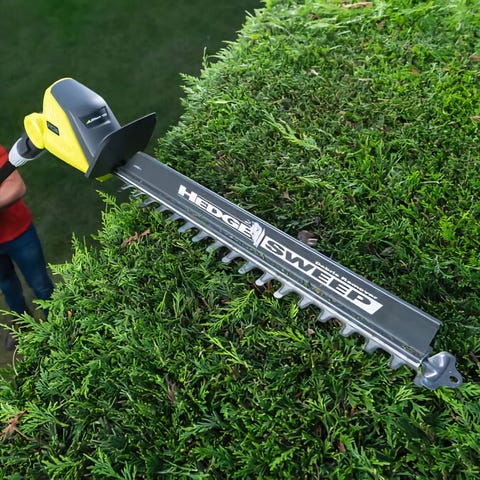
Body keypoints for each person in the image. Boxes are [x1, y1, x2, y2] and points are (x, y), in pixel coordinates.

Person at [0, 143, 54, 350]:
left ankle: (58, 326)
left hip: (19, 233)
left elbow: (16, 186)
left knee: (41, 284)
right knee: (7, 286)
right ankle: (22, 326)